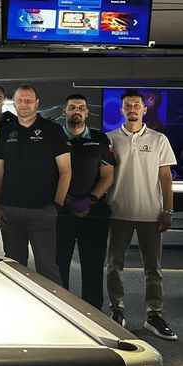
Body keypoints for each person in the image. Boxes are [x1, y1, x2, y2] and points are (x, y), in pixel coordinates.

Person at [106, 89, 178, 340]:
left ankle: (154, 315)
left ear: (145, 109)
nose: (132, 109)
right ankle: (117, 309)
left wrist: (167, 210)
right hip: (118, 212)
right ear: (121, 110)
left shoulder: (159, 139)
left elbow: (165, 177)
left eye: (136, 105)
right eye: (127, 105)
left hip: (151, 213)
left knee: (153, 269)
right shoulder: (110, 139)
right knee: (114, 266)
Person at [0, 84, 70, 283]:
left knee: (47, 267)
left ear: (37, 103)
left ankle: (52, 303)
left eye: (28, 101)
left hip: (43, 211)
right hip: (10, 211)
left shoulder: (53, 130)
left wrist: (57, 205)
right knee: (14, 267)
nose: (24, 104)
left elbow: (66, 171)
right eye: (20, 100)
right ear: (14, 103)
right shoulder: (5, 132)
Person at [55, 94, 115, 309]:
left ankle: (93, 311)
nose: (77, 110)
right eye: (72, 107)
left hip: (94, 212)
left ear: (87, 112)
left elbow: (107, 175)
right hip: (61, 212)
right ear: (64, 111)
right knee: (59, 264)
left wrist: (88, 201)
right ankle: (60, 308)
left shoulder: (100, 139)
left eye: (81, 107)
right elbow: (48, 173)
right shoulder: (54, 137)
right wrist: (67, 201)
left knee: (93, 265)